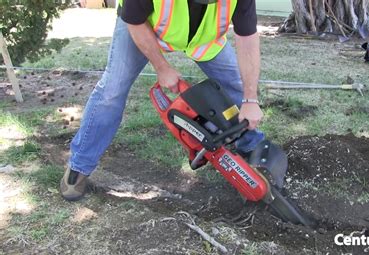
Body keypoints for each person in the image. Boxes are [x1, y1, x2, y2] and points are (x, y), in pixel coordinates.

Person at [60, 0, 265, 201]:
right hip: (143, 24)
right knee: (111, 91)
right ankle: (79, 165)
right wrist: (161, 67)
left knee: (237, 88)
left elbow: (247, 38)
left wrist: (251, 100)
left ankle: (253, 150)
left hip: (203, 37)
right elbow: (134, 20)